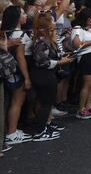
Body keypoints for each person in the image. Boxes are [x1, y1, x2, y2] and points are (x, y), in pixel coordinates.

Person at [29, 13, 74, 141]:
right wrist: (60, 62)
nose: (55, 23)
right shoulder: (41, 41)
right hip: (43, 75)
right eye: (52, 21)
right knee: (46, 103)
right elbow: (42, 62)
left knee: (46, 103)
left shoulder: (46, 39)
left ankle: (45, 127)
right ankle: (40, 132)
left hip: (47, 74)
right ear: (47, 24)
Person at [1, 6, 33, 145]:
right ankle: (12, 133)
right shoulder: (19, 35)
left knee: (12, 102)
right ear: (17, 18)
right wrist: (26, 77)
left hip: (10, 72)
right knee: (17, 102)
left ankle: (11, 130)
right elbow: (21, 58)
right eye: (23, 13)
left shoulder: (6, 33)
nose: (26, 15)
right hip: (17, 72)